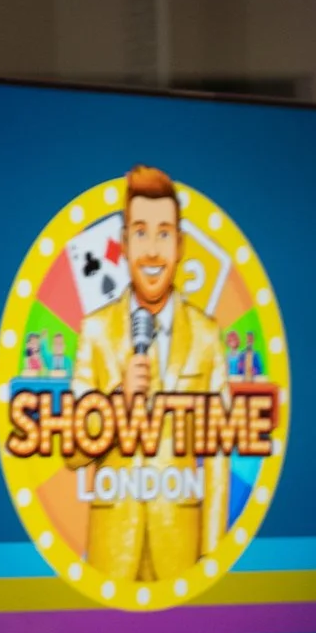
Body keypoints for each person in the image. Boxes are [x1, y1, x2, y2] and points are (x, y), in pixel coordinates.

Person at [72, 164, 226, 584]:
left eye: (163, 234)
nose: (152, 250)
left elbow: (216, 460)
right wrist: (118, 399)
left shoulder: (208, 336)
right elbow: (70, 452)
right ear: (124, 244)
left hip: (183, 553)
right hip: (110, 557)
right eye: (140, 232)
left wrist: (212, 562)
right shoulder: (97, 330)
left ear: (180, 245)